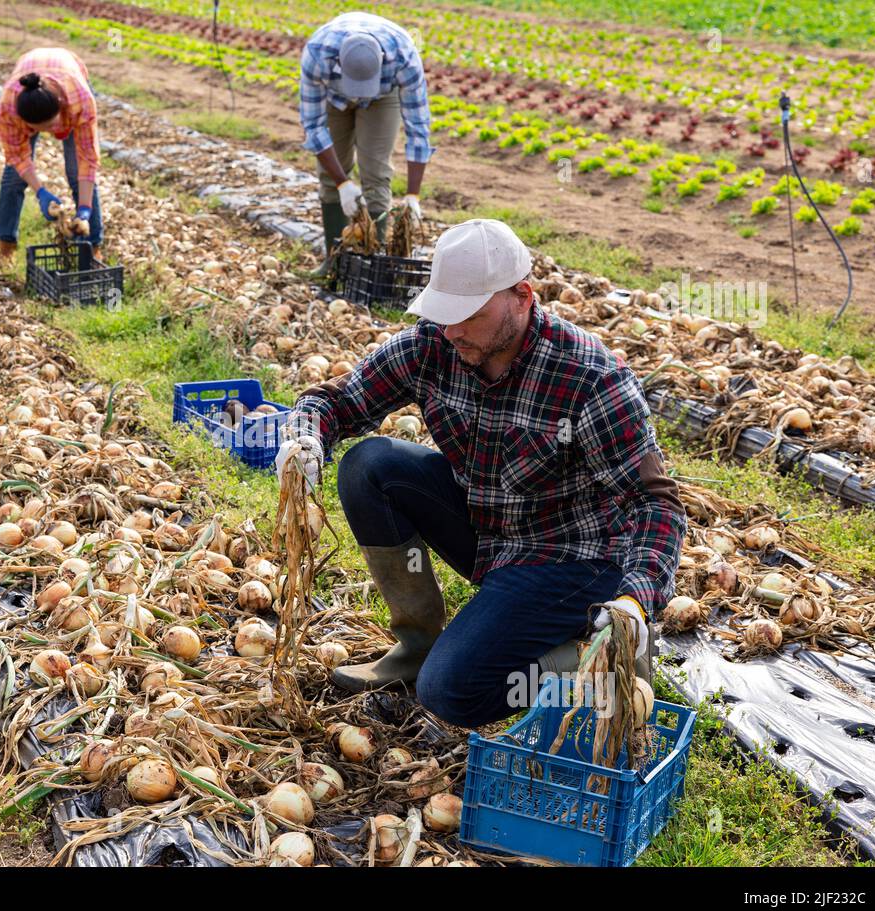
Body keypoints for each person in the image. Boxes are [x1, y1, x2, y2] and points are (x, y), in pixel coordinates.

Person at [275, 220, 686, 728]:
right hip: (490, 531)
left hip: (571, 558)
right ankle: (417, 646)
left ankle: (598, 659)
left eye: (467, 315)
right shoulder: (435, 345)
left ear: (521, 297)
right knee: (370, 465)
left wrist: (636, 597)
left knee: (452, 692)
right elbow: (337, 400)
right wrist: (305, 435)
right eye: (443, 314)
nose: (452, 330)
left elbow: (655, 504)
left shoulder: (590, 377)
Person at [299, 12, 432, 262]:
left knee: (376, 171)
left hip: (381, 98)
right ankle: (335, 261)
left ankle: (374, 261)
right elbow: (313, 127)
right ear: (338, 61)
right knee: (331, 175)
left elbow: (418, 127)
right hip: (332, 97)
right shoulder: (317, 55)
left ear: (382, 60)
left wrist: (413, 195)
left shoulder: (404, 58)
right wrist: (342, 183)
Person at [0, 48, 102, 269]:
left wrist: (84, 209)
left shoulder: (78, 100)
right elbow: (17, 155)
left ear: (60, 108)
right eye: (39, 129)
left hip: (68, 73)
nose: (50, 132)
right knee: (14, 178)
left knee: (75, 173)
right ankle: (6, 248)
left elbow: (87, 158)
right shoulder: (9, 108)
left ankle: (92, 248)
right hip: (29, 76)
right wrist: (40, 191)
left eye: (52, 126)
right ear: (26, 123)